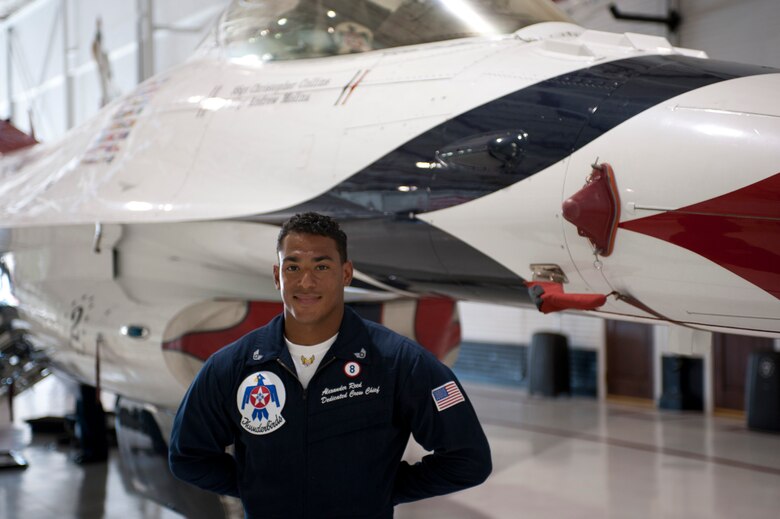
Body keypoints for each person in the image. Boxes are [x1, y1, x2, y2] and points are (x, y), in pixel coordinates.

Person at [169, 212, 491, 518]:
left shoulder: (400, 363)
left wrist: (381, 489)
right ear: (277, 277)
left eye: (321, 267)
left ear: (346, 273)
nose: (306, 282)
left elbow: (468, 459)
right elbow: (188, 457)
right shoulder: (232, 366)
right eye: (292, 268)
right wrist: (258, 489)